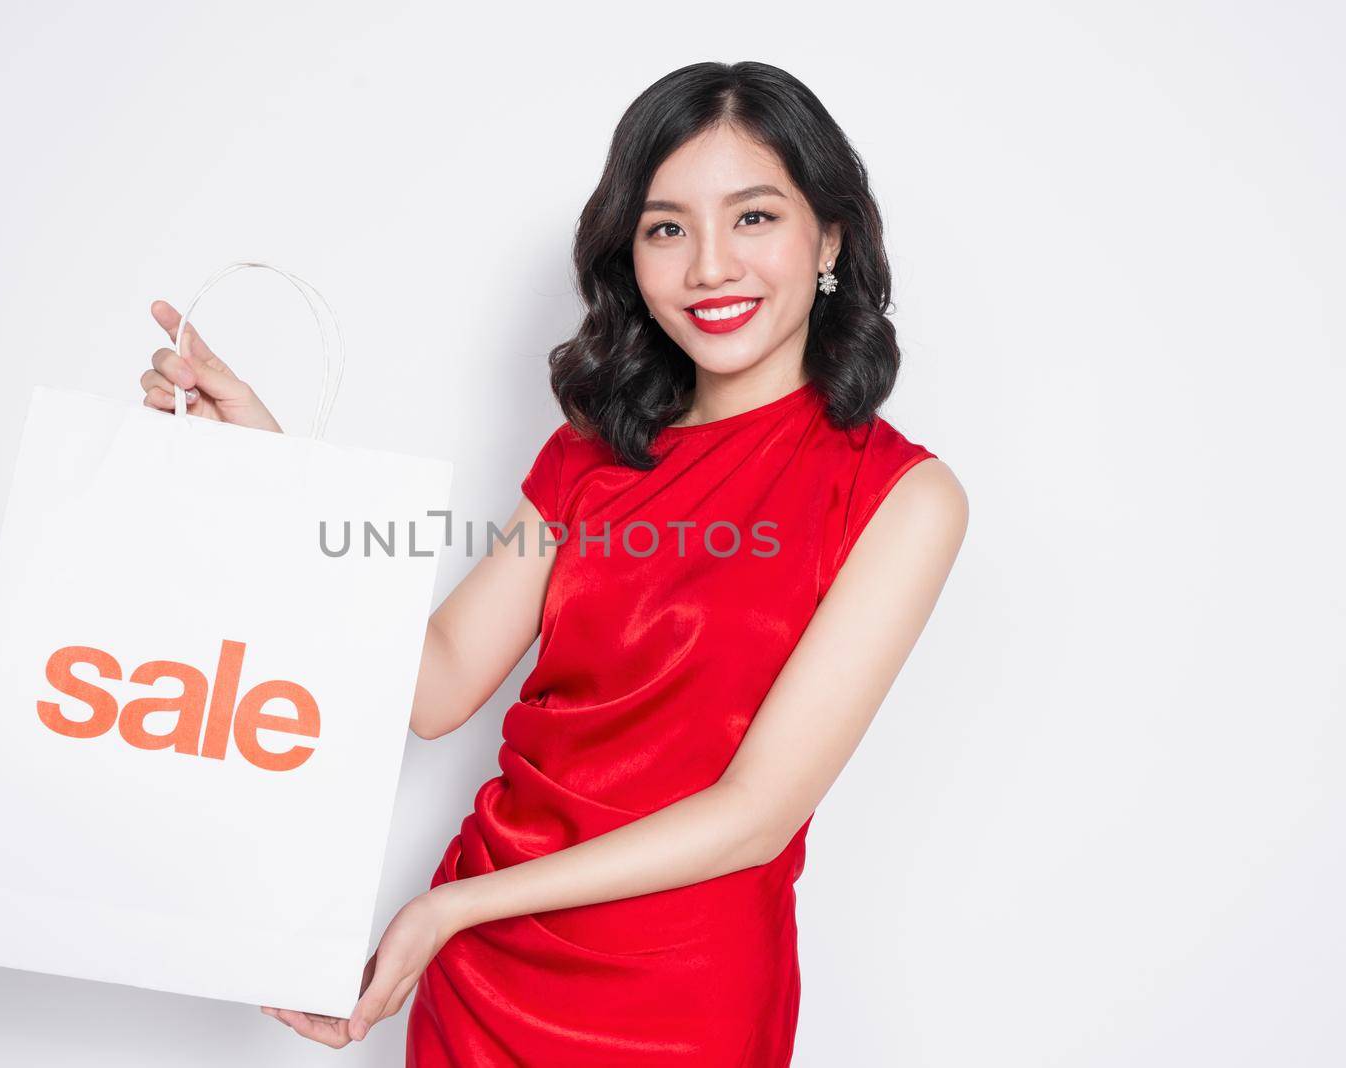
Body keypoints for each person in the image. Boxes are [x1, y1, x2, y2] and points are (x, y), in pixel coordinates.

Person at [138, 59, 967, 1066]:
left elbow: (753, 816)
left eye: (753, 217)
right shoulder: (588, 453)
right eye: (667, 227)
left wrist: (450, 906)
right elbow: (437, 683)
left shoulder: (901, 497)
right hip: (483, 981)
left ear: (829, 235)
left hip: (678, 1001)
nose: (709, 266)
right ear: (631, 254)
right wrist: (276, 476)